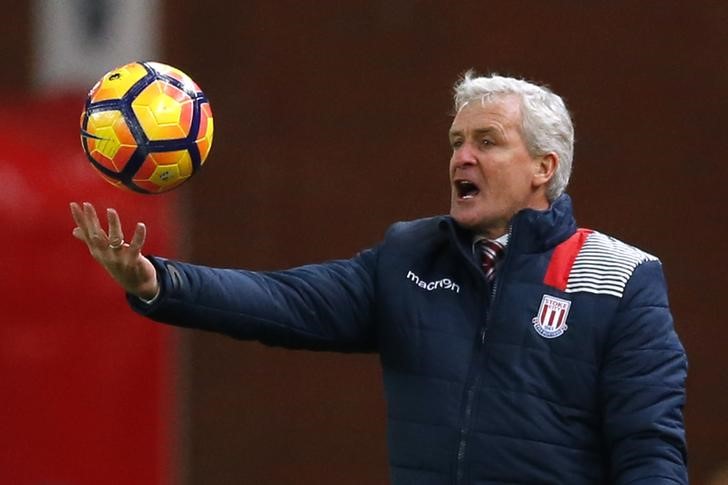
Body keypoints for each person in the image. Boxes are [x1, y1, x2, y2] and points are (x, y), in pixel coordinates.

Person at [70, 72, 688, 484]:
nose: (461, 157)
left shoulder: (621, 277)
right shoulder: (412, 257)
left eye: (486, 142)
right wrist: (158, 281)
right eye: (455, 142)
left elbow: (650, 448)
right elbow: (287, 302)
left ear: (543, 169)